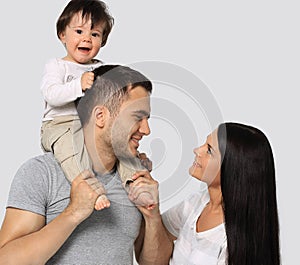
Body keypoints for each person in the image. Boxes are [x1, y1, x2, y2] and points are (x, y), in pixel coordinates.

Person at [0, 64, 157, 265]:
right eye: (137, 117)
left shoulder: (135, 180)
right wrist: (73, 213)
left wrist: (153, 216)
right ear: (100, 116)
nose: (146, 130)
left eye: (147, 118)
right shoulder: (42, 173)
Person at [131, 122, 281, 265]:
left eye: (209, 150)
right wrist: (151, 209)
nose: (197, 150)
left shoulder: (233, 240)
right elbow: (153, 252)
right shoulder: (195, 203)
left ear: (233, 170)